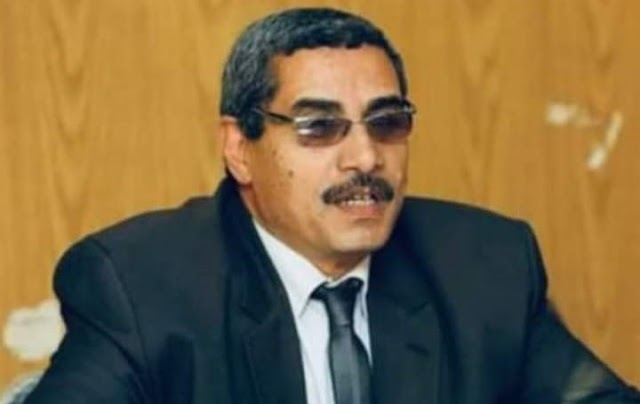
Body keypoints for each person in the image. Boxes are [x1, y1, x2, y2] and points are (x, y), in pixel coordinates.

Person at [26, 7, 639, 404]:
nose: (366, 158)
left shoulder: (485, 266)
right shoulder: (139, 286)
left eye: (387, 122)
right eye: (320, 127)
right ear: (239, 149)